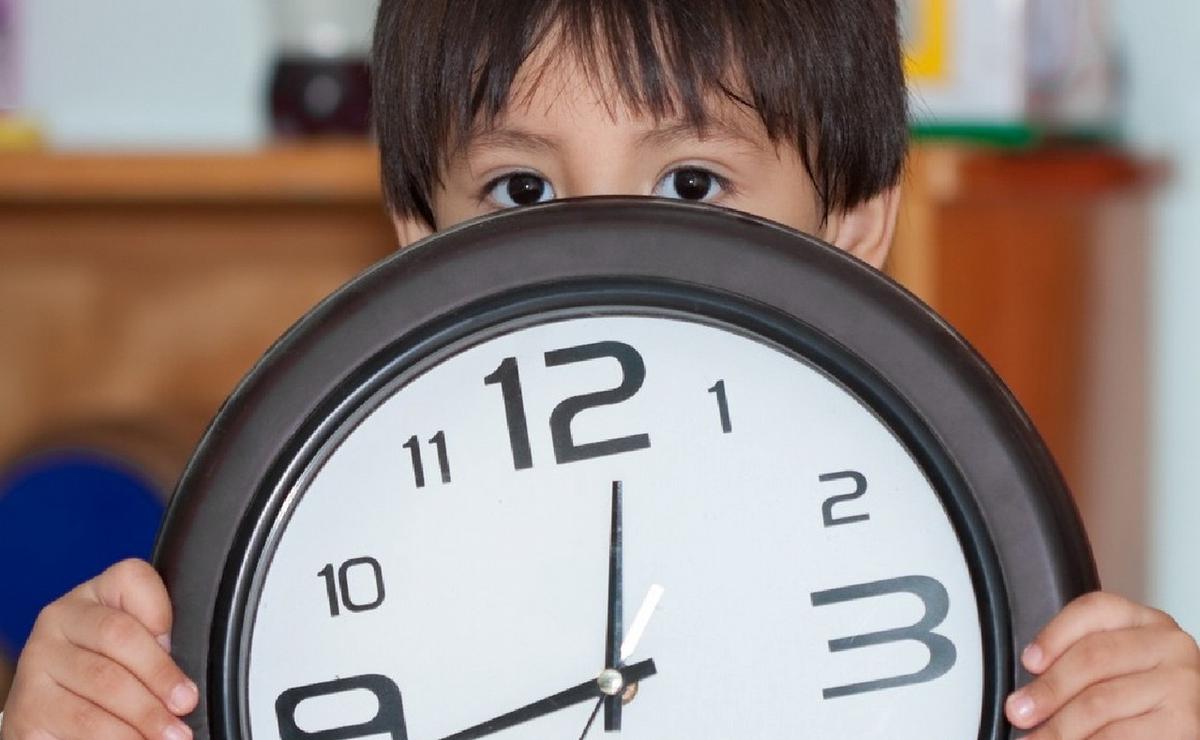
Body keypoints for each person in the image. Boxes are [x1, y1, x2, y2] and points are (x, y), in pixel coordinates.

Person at [3, 1, 1199, 738]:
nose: (603, 248)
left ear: (852, 226)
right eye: (521, 191)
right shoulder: (350, 553)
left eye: (692, 184)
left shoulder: (925, 564)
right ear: (420, 245)